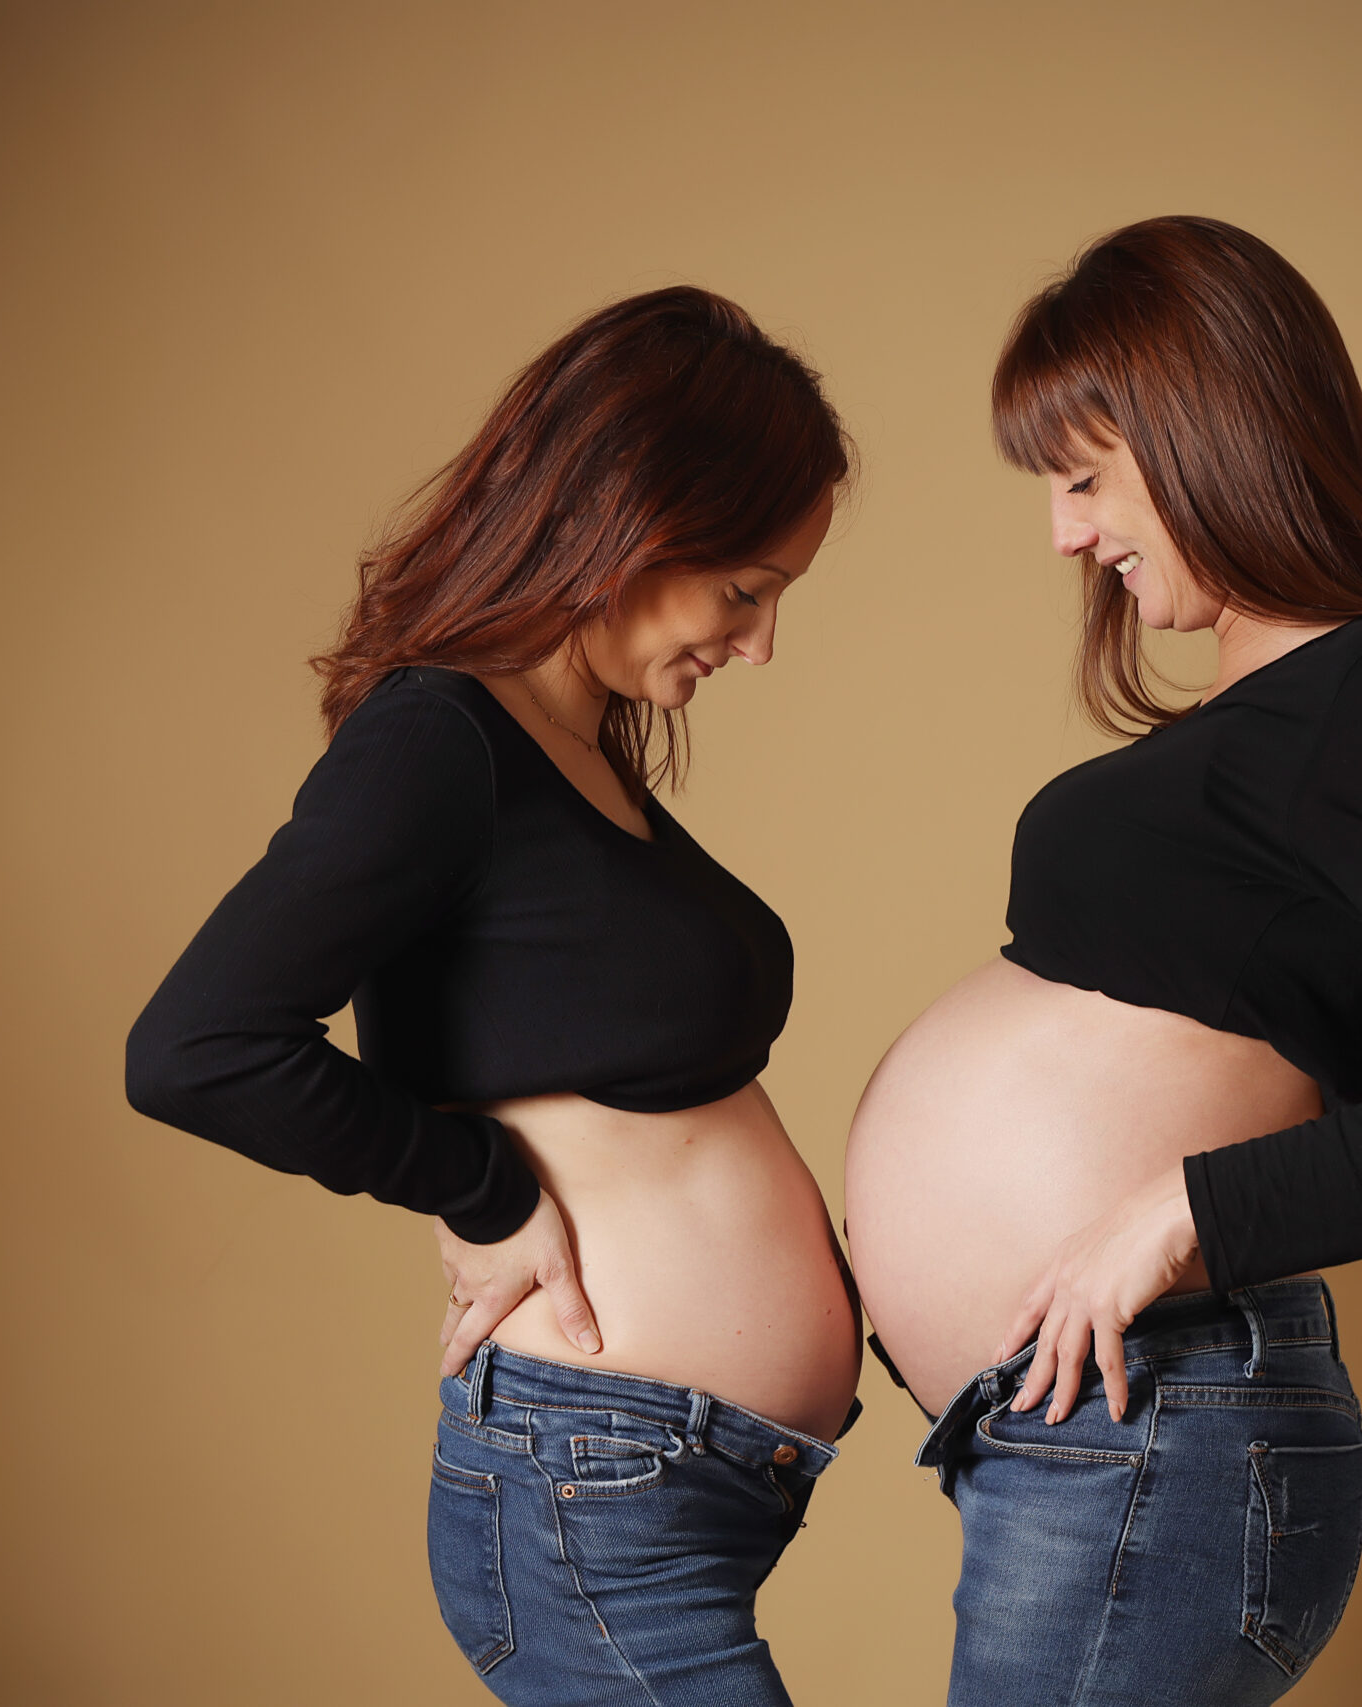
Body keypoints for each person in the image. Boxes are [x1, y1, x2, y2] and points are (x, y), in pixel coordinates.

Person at [844, 217, 1362, 1704]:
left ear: (1207, 431)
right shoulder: (1284, 706)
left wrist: (1179, 1214)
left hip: (1162, 1424)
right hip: (1087, 1433)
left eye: (1085, 480)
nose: (1067, 535)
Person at [125, 286, 860, 1707]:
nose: (759, 645)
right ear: (631, 522)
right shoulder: (438, 738)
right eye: (747, 591)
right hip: (588, 1483)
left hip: (666, 1479)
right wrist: (485, 1187)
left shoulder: (573, 746)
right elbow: (194, 1048)